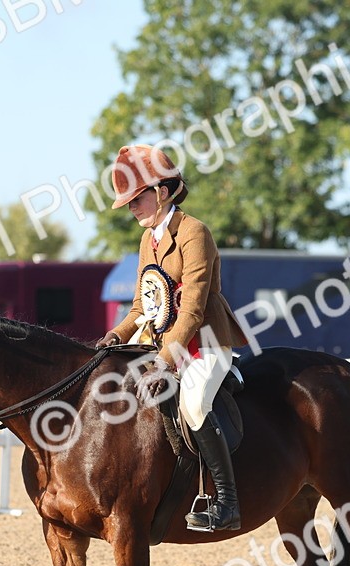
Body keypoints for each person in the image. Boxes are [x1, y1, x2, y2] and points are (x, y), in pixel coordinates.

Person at [97, 144, 249, 531]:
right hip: (163, 341)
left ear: (162, 192)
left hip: (205, 343)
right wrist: (115, 335)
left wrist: (166, 358)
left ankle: (227, 502)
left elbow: (194, 308)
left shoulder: (194, 232)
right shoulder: (148, 241)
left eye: (136, 199)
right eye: (128, 201)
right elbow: (141, 305)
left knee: (194, 405)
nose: (131, 208)